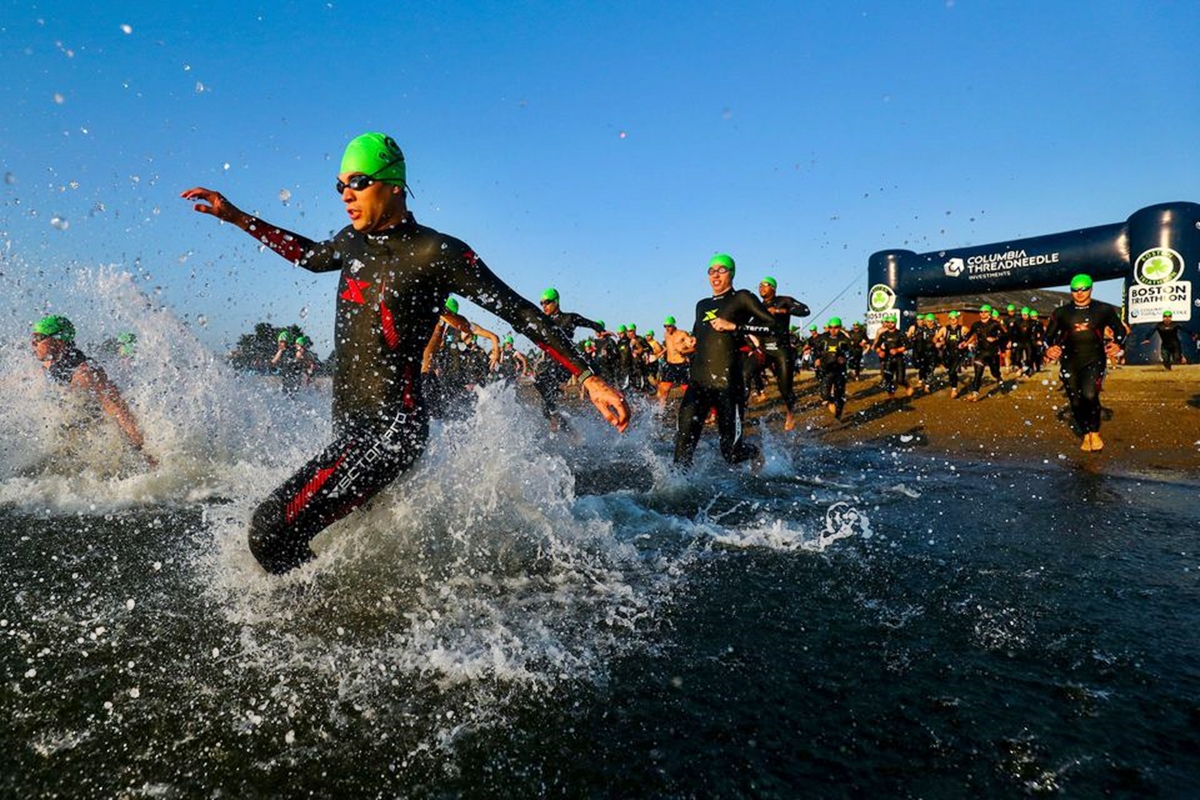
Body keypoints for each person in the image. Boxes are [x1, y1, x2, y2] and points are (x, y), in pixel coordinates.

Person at [182, 132, 629, 574]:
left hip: (392, 428)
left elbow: (518, 311)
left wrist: (589, 377)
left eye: (357, 182)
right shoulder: (352, 241)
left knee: (269, 531)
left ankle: (315, 620)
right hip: (352, 423)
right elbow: (311, 256)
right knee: (349, 535)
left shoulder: (436, 252)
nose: (345, 195)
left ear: (393, 184)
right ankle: (350, 612)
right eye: (339, 185)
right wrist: (238, 217)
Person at [673, 254, 777, 468]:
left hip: (728, 385)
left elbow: (773, 326)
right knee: (682, 448)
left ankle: (755, 453)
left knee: (731, 453)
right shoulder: (701, 305)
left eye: (722, 269)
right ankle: (680, 492)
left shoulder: (742, 297)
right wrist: (690, 345)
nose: (716, 274)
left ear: (732, 273)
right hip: (698, 383)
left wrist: (735, 327)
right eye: (711, 270)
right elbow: (699, 337)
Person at [30, 315, 156, 468]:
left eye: (39, 338)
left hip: (97, 441)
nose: (33, 343)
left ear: (58, 341)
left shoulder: (85, 373)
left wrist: (146, 453)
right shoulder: (51, 364)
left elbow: (119, 410)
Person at [1044, 273, 1125, 452]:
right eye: (1075, 290)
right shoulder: (1062, 312)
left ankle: (1094, 432)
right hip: (1069, 361)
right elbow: (1048, 337)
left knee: (1089, 395)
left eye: (1083, 289)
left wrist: (1117, 343)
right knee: (1075, 401)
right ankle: (1085, 432)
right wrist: (1049, 348)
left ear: (1091, 288)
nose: (1079, 293)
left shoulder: (1103, 309)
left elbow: (1120, 329)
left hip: (1094, 359)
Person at [533, 287, 606, 428]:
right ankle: (570, 431)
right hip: (550, 364)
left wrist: (601, 330)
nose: (544, 306)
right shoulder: (543, 321)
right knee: (545, 408)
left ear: (556, 302)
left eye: (547, 302)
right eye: (541, 303)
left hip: (565, 363)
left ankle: (563, 423)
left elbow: (590, 323)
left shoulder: (569, 318)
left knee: (544, 388)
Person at [757, 276, 810, 430]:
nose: (761, 288)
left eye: (765, 285)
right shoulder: (758, 306)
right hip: (764, 348)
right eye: (759, 285)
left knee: (785, 388)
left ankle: (790, 414)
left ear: (773, 288)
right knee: (746, 372)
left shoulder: (784, 300)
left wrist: (781, 311)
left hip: (781, 348)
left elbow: (805, 310)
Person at [961, 304, 1005, 401]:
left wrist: (995, 338)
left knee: (994, 372)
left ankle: (998, 377)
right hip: (980, 352)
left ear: (989, 313)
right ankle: (975, 394)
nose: (982, 313)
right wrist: (964, 343)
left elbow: (1005, 335)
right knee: (978, 373)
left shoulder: (995, 324)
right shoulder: (976, 324)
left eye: (985, 312)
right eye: (981, 312)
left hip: (992, 352)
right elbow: (970, 335)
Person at [811, 317, 853, 418]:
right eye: (831, 327)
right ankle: (831, 405)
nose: (833, 330)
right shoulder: (823, 338)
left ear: (840, 327)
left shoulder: (844, 339)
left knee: (839, 396)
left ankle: (838, 414)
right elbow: (815, 350)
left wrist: (845, 358)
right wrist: (816, 359)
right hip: (826, 369)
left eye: (836, 327)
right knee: (825, 395)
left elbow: (851, 352)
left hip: (839, 370)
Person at [657, 315, 695, 408]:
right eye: (665, 326)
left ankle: (693, 408)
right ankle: (661, 411)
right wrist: (659, 354)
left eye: (669, 326)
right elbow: (668, 347)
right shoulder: (666, 335)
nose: (667, 328)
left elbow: (693, 348)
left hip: (681, 365)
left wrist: (684, 351)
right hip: (670, 365)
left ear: (674, 325)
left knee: (687, 389)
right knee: (663, 389)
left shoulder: (682, 334)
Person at [871, 314, 911, 397]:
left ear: (895, 323)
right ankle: (892, 398)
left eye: (892, 322)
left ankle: (907, 385)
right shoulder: (884, 334)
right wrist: (879, 352)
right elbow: (876, 345)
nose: (890, 324)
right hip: (888, 359)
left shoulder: (900, 333)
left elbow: (908, 345)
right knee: (888, 379)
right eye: (888, 322)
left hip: (899, 358)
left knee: (900, 380)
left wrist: (897, 350)